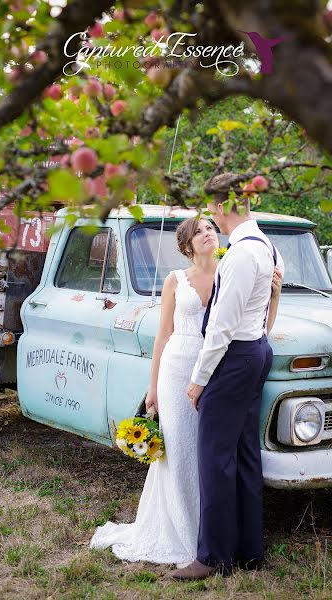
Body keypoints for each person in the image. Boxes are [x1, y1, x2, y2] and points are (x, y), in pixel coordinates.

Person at [91, 206, 282, 567]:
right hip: (180, 369)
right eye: (199, 232)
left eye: (211, 227)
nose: (208, 233)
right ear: (187, 246)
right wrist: (153, 388)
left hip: (218, 365)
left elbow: (258, 327)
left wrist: (273, 297)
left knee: (211, 455)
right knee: (181, 453)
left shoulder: (233, 268)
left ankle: (210, 536)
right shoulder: (176, 280)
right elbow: (164, 335)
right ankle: (182, 532)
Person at [172, 173, 284, 580]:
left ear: (221, 207)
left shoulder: (239, 254)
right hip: (255, 350)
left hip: (234, 357)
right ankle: (249, 550)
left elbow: (221, 325)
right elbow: (266, 304)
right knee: (244, 453)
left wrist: (199, 379)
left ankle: (214, 556)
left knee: (215, 456)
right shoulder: (269, 246)